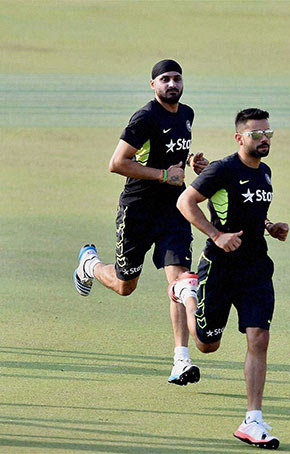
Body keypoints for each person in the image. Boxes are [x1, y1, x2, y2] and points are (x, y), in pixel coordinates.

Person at [73, 59, 209, 386]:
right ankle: (89, 265)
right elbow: (117, 162)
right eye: (165, 79)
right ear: (153, 85)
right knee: (125, 285)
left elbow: (170, 158)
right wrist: (163, 175)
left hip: (174, 212)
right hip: (138, 212)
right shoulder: (145, 118)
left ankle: (181, 359)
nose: (172, 84)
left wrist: (194, 163)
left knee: (182, 283)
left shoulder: (187, 115)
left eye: (176, 78)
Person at [174, 108, 288, 450]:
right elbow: (185, 201)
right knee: (207, 344)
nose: (264, 139)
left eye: (268, 133)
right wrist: (216, 234)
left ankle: (253, 419)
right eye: (256, 134)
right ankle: (186, 290)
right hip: (219, 268)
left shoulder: (265, 173)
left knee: (259, 337)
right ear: (239, 138)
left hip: (256, 269)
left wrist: (271, 226)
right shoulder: (222, 169)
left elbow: (252, 210)